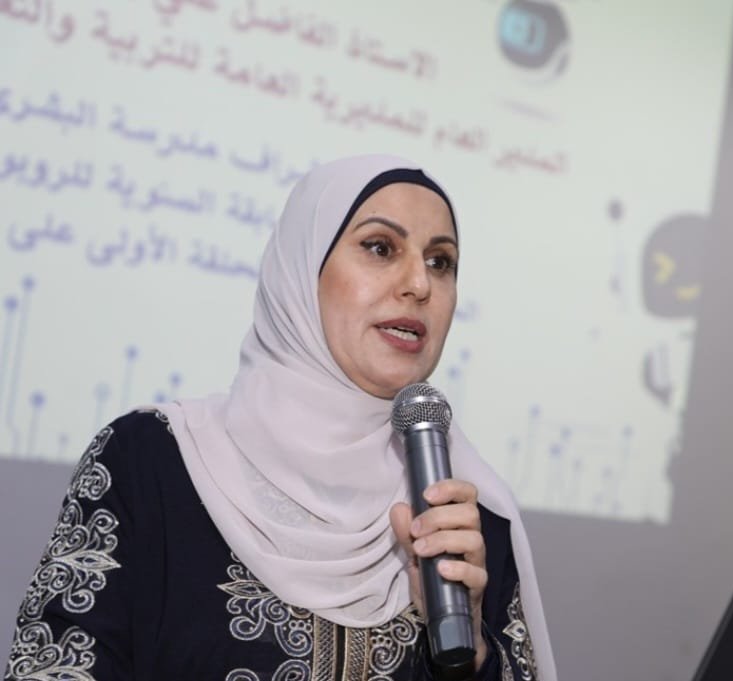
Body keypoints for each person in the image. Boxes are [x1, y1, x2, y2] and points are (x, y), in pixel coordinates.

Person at [3, 155, 557, 681]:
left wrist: (470, 653)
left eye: (441, 262)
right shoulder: (150, 462)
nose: (419, 283)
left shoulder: (466, 517)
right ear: (301, 272)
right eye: (380, 248)